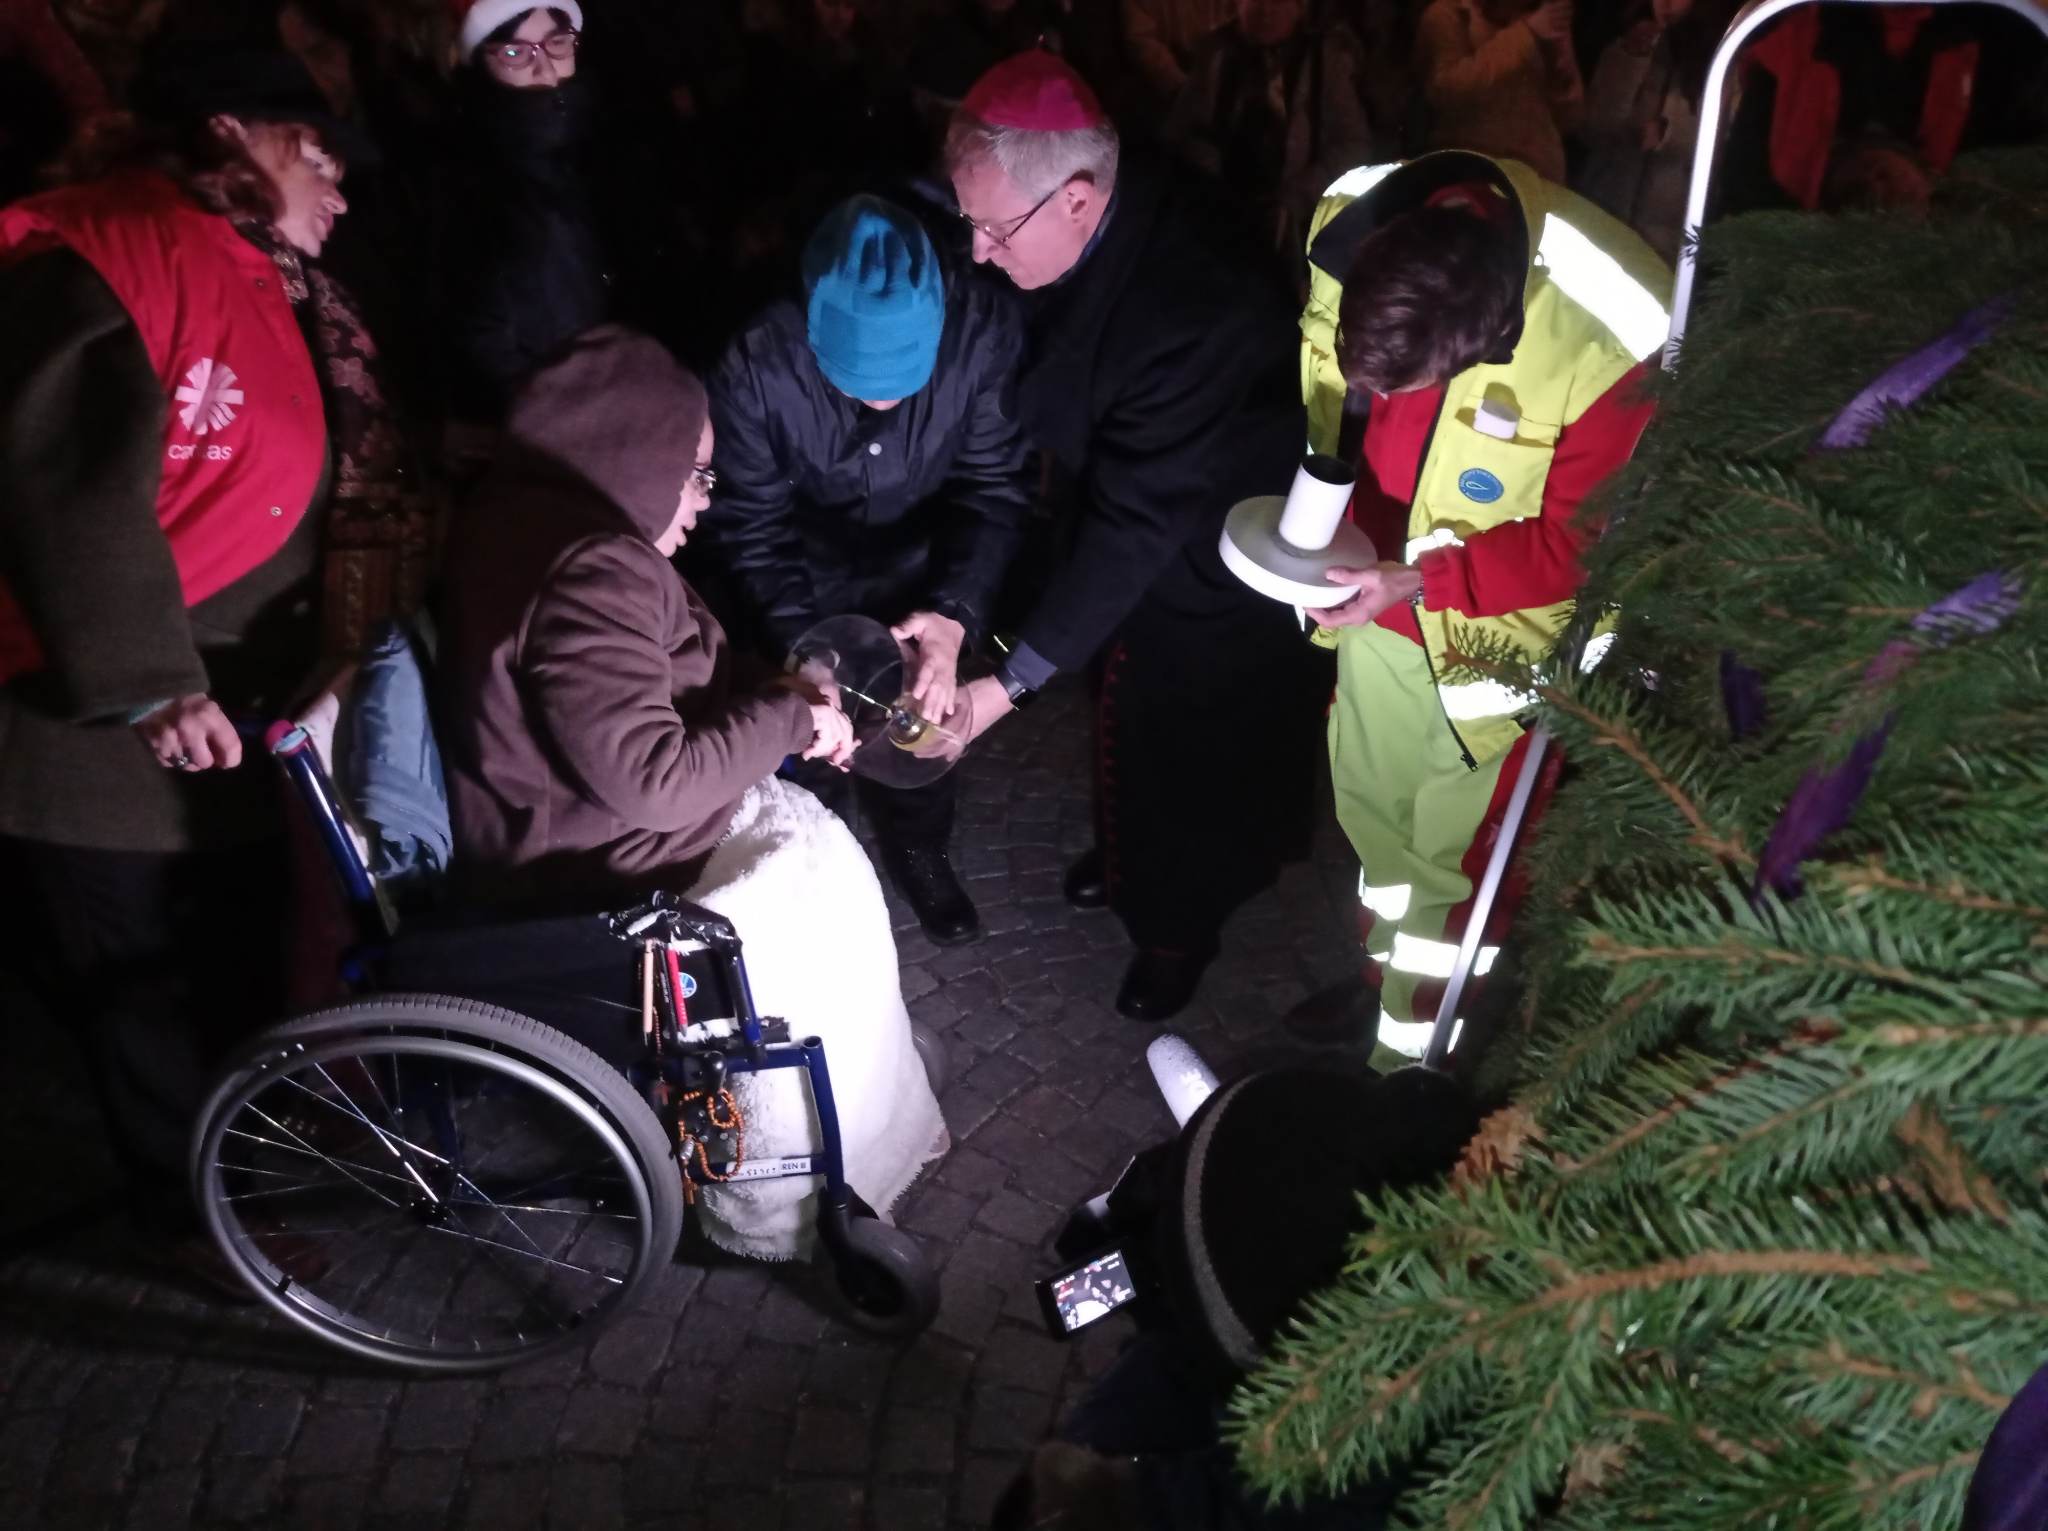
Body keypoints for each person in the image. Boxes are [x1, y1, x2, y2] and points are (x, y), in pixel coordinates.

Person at [0, 45, 422, 1276]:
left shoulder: (251, 265)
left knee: (230, 946)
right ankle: (194, 1220)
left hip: (227, 702)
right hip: (100, 730)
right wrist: (150, 678)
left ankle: (255, 1139)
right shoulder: (107, 255)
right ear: (230, 131)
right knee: (139, 987)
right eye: (315, 150)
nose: (339, 183)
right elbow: (60, 487)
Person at [434, 324, 947, 1255]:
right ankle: (785, 1198)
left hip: (588, 816)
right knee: (818, 894)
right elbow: (653, 781)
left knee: (826, 862)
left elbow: (656, 683)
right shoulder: (592, 573)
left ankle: (873, 1088)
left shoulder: (536, 516)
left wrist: (784, 692)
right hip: (597, 856)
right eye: (696, 472)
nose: (708, 498)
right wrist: (787, 718)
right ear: (631, 453)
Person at [945, 51, 1334, 1022]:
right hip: (1141, 507)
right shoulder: (1096, 211)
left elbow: (1134, 523)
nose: (979, 252)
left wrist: (1005, 686)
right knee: (1128, 731)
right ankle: (1129, 861)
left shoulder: (1194, 304)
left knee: (1186, 751)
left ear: (1077, 200)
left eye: (994, 230)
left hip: (1213, 561)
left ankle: (1176, 928)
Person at [1287, 151, 1669, 1053]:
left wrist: (1423, 578)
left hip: (1500, 662)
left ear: (1490, 341)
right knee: (1377, 826)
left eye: (1402, 391)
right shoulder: (1350, 217)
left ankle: (1409, 1066)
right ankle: (1381, 982)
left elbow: (1584, 547)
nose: (1380, 404)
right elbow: (1329, 397)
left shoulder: (1618, 334)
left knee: (1450, 882)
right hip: (1377, 609)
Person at [700, 194, 1032, 945]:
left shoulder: (982, 330)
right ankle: (820, 860)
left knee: (922, 729)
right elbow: (752, 526)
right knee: (814, 740)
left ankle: (920, 847)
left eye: (904, 382)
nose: (883, 401)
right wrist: (808, 653)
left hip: (923, 572)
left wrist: (955, 612)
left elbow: (994, 489)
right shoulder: (755, 358)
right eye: (856, 382)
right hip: (799, 571)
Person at [436, 1, 609, 418]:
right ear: (482, 63)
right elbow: (477, 332)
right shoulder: (468, 173)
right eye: (514, 52)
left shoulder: (605, 134)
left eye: (557, 42)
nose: (545, 69)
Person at [1163, 0, 1377, 270]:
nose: (1265, 9)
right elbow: (1180, 133)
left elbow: (1353, 144)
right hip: (1219, 216)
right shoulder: (1216, 56)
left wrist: (1298, 196)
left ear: (1299, 7)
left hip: (1298, 228)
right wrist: (1207, 175)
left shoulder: (1323, 61)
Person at [1577, 0, 1710, 261]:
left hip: (1663, 235)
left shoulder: (1719, 59)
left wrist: (1668, 133)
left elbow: (1720, 141)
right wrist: (1631, 57)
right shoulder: (1628, 41)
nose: (1666, 4)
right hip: (1602, 213)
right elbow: (1594, 125)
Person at [1413, 0, 1583, 185]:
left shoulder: (1535, 18)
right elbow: (1447, 90)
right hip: (1474, 173)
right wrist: (1527, 33)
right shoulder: (1448, 14)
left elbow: (1569, 119)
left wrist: (1560, 65)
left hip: (1538, 179)